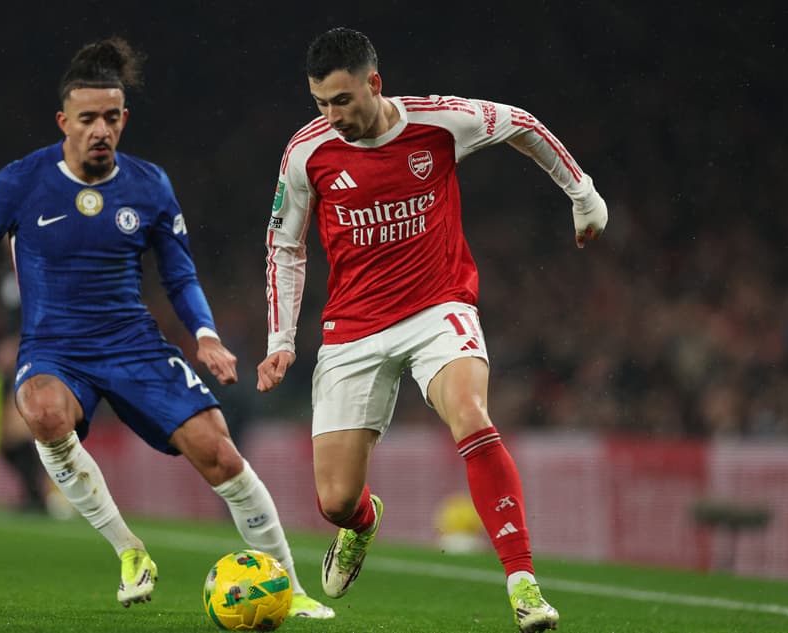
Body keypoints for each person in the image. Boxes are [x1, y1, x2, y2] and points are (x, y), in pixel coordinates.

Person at [0, 36, 333, 619]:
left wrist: (204, 335)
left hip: (134, 345)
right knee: (42, 413)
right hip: (55, 347)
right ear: (63, 121)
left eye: (111, 117)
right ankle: (130, 552)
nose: (100, 129)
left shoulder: (150, 186)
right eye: (87, 118)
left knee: (220, 454)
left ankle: (292, 589)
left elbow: (179, 275)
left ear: (125, 119)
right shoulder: (21, 181)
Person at [257, 27, 607, 633]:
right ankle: (363, 524)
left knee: (471, 414)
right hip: (354, 328)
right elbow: (285, 246)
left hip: (436, 308)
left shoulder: (438, 123)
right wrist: (281, 341)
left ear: (375, 83)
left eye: (343, 100)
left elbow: (522, 124)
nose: (332, 116)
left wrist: (583, 193)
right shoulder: (306, 153)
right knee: (335, 501)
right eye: (321, 103)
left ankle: (523, 584)